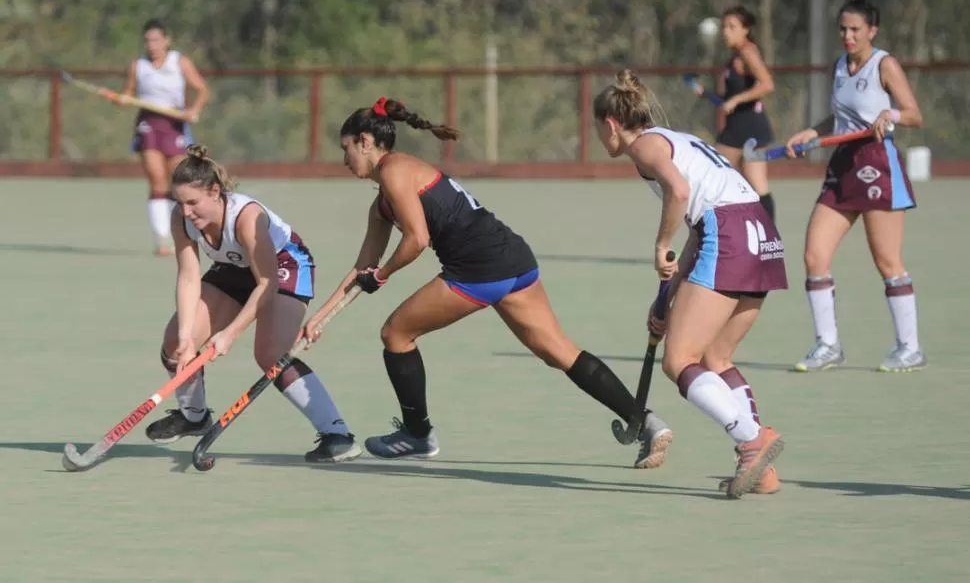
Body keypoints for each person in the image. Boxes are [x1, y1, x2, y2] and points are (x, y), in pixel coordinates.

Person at [299, 96, 673, 469]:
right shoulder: (382, 203)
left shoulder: (396, 170)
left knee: (396, 333)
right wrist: (320, 317)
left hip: (477, 269)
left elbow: (417, 240)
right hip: (512, 257)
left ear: (365, 141)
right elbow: (363, 265)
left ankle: (417, 434)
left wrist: (382, 275)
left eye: (346, 148)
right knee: (559, 352)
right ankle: (647, 423)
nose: (344, 159)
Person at [593, 69, 787, 498]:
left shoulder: (644, 147)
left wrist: (661, 242)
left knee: (678, 361)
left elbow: (680, 194)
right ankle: (760, 467)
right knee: (717, 357)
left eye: (597, 129)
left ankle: (753, 441)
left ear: (610, 124)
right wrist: (670, 293)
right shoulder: (675, 139)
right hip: (760, 232)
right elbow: (700, 229)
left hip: (730, 234)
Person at [144, 144, 361, 464]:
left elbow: (267, 283)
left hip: (283, 265)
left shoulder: (247, 217)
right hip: (235, 269)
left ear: (215, 191)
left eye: (193, 202)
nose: (186, 211)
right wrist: (189, 337)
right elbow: (189, 276)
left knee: (270, 354)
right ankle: (194, 417)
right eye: (180, 203)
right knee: (176, 340)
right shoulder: (182, 219)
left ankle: (337, 435)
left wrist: (230, 333)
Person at [787, 0, 925, 373]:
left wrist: (891, 116)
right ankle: (828, 345)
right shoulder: (838, 66)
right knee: (815, 255)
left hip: (878, 164)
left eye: (855, 30)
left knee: (886, 260)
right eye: (843, 30)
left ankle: (910, 348)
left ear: (872, 31)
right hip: (842, 165)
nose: (848, 37)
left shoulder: (884, 66)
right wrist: (811, 133)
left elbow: (914, 113)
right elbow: (839, 120)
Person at [116, 19, 210, 256]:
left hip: (174, 123)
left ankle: (181, 230)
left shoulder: (180, 61)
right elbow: (127, 93)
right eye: (147, 40)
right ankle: (161, 239)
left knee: (176, 181)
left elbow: (202, 89)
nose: (152, 45)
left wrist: (194, 110)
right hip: (149, 123)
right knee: (156, 179)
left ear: (167, 41)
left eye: (156, 40)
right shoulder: (138, 66)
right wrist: (123, 99)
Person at [691, 6, 777, 221]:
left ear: (745, 29)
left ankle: (768, 240)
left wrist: (737, 100)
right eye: (724, 27)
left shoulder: (748, 51)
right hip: (737, 125)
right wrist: (707, 94)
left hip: (749, 128)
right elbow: (730, 97)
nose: (726, 32)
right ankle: (752, 237)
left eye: (732, 27)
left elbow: (767, 84)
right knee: (734, 182)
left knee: (721, 177)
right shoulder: (734, 56)